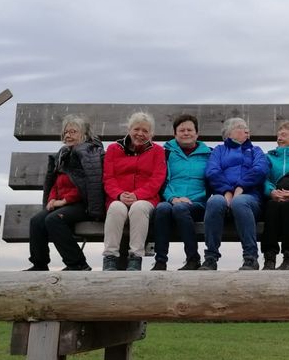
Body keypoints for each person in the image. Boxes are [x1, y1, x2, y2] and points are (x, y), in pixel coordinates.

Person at [26, 114, 104, 271]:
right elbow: (55, 182)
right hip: (63, 204)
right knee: (36, 221)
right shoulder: (64, 154)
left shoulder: (90, 154)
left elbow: (88, 185)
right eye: (66, 132)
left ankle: (77, 264)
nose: (68, 135)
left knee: (54, 220)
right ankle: (39, 265)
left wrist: (65, 201)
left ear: (84, 135)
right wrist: (52, 199)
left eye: (73, 132)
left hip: (84, 204)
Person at [201, 118, 269, 270]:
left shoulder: (256, 151)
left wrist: (240, 188)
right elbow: (212, 171)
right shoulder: (219, 150)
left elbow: (260, 170)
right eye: (240, 127)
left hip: (250, 199)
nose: (246, 130)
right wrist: (226, 191)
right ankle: (210, 258)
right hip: (223, 197)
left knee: (240, 202)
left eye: (247, 128)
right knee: (214, 202)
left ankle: (250, 257)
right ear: (228, 134)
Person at [101, 112, 166, 271]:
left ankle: (135, 258)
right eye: (136, 129)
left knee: (139, 208)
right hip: (118, 198)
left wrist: (138, 195)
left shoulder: (157, 151)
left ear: (151, 134)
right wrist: (119, 194)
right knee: (116, 208)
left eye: (145, 131)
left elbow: (157, 178)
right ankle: (110, 257)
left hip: (146, 199)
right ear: (129, 130)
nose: (140, 134)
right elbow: (108, 178)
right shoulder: (114, 149)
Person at [151, 114, 211, 270]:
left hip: (198, 203)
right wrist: (172, 198)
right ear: (175, 134)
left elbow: (213, 180)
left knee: (180, 209)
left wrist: (188, 200)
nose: (186, 133)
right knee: (162, 209)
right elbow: (162, 180)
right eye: (181, 130)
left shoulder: (209, 154)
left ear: (197, 134)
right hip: (172, 201)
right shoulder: (166, 153)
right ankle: (160, 261)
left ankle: (193, 259)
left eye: (189, 130)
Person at [261, 121, 289, 270]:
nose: (279, 138)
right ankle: (269, 257)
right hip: (272, 198)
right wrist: (271, 192)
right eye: (278, 135)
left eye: (284, 135)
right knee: (272, 206)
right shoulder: (269, 158)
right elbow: (263, 178)